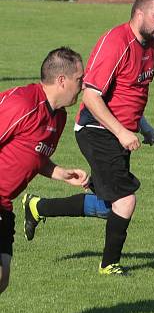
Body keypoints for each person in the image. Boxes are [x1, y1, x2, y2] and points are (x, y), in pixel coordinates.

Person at [23, 0, 154, 276]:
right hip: (96, 128)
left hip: (117, 131)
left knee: (108, 206)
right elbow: (90, 95)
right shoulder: (116, 42)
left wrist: (142, 125)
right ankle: (108, 265)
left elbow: (130, 92)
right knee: (125, 201)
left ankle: (38, 207)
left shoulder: (149, 43)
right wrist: (122, 133)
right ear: (139, 13)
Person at [0, 47, 89, 295]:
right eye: (79, 79)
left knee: (2, 278)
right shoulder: (22, 103)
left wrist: (61, 173)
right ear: (62, 80)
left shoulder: (57, 118)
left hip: (5, 203)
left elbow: (34, 157)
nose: (82, 86)